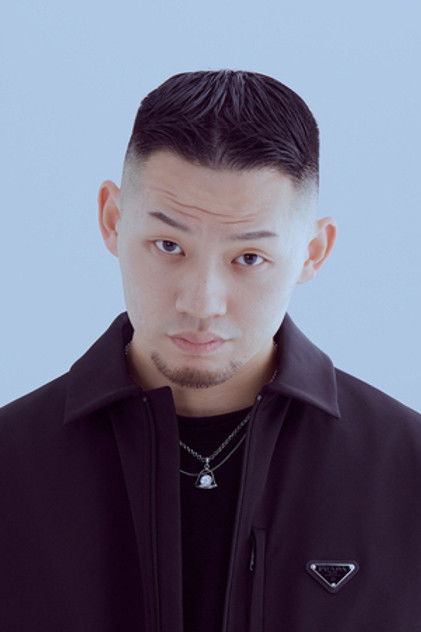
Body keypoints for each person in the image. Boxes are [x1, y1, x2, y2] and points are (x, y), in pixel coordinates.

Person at [1, 69, 420, 632]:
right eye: (168, 245)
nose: (202, 302)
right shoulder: (11, 466)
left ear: (313, 252)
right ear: (112, 220)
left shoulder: (407, 471)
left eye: (249, 258)